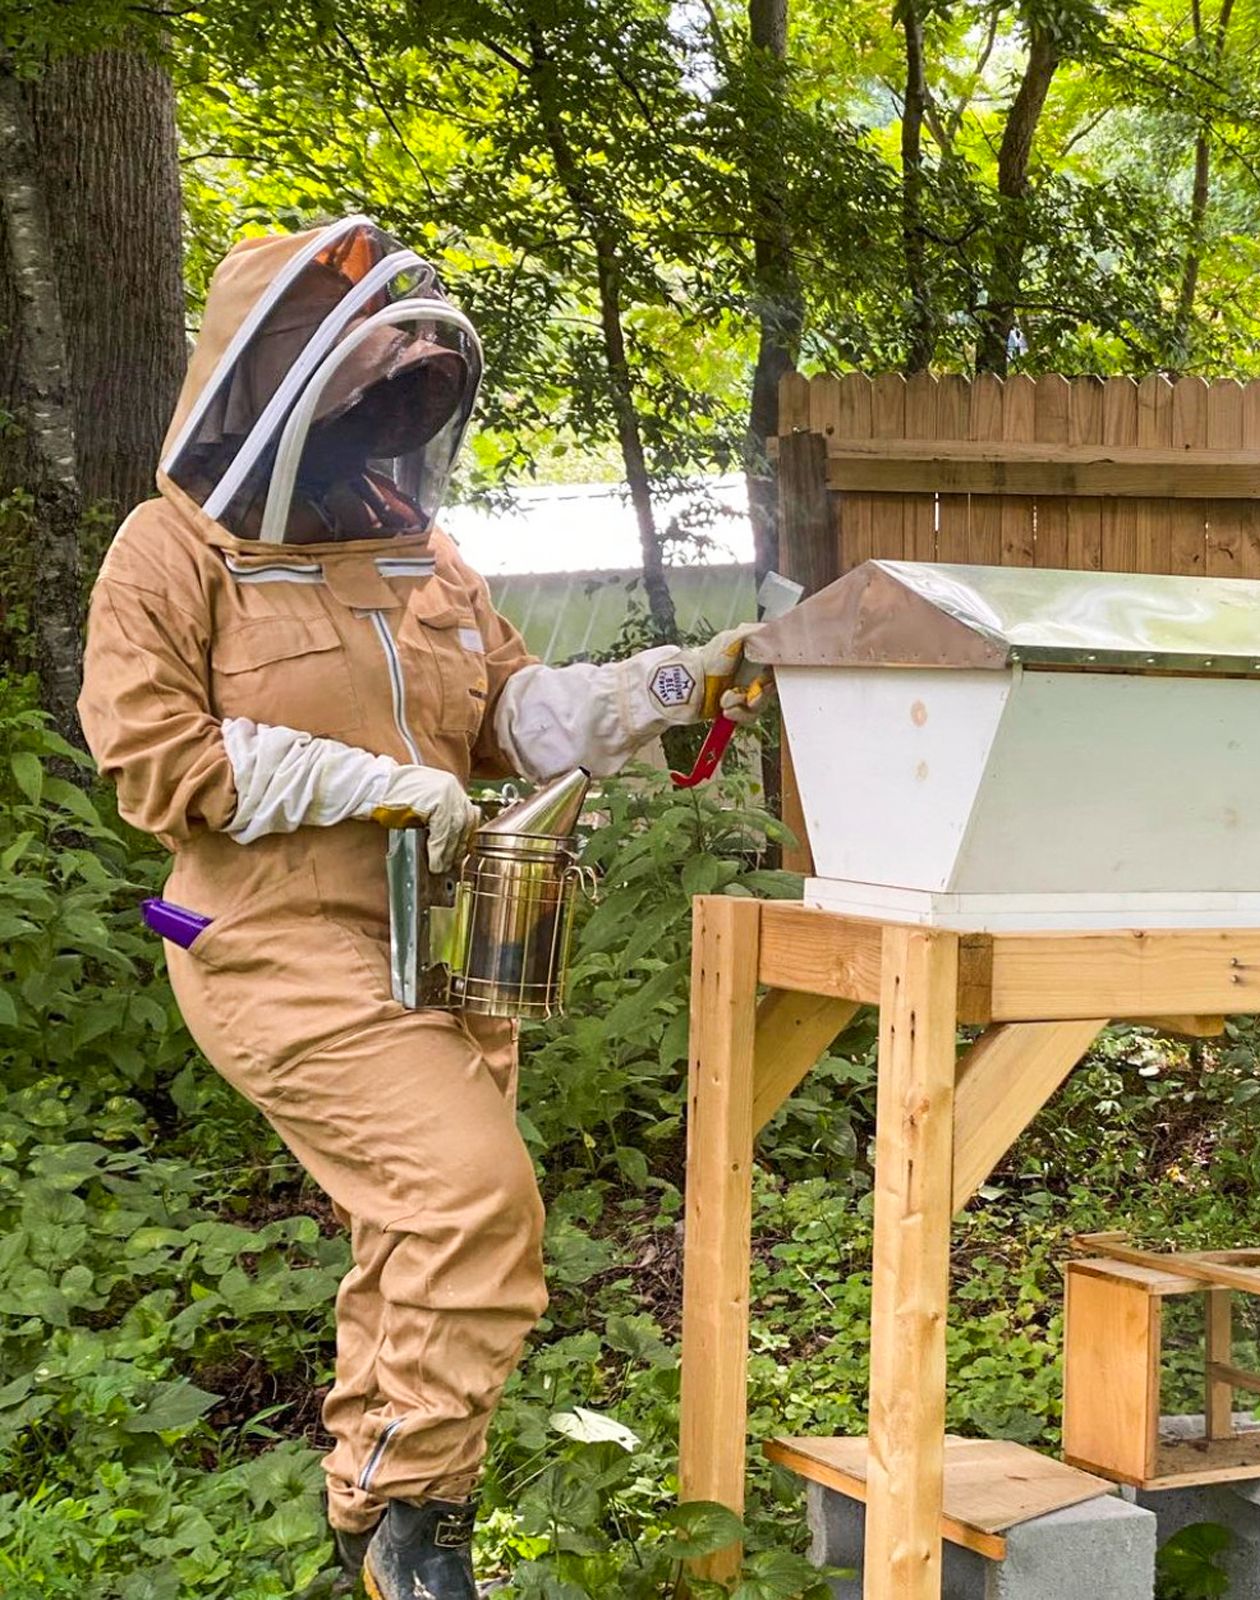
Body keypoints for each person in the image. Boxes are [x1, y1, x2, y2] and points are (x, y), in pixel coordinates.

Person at [77, 218, 764, 1600]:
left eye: (411, 357)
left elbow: (508, 711)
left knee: (414, 1227)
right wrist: (370, 784)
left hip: (444, 944)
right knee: (469, 1202)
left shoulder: (425, 553)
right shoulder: (172, 553)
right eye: (373, 354)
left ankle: (361, 1530)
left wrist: (669, 683)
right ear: (278, 370)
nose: (402, 381)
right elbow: (152, 762)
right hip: (271, 942)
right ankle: (418, 1524)